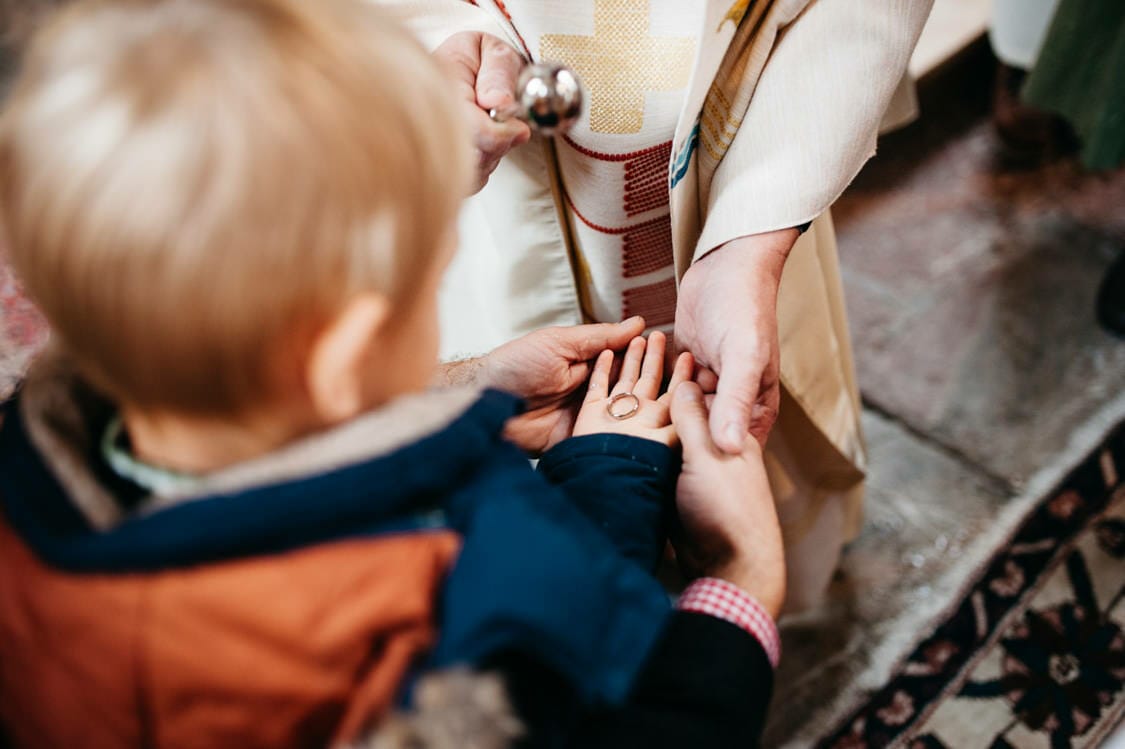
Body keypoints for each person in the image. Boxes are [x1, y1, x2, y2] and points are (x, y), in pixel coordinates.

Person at [0, 1, 786, 746]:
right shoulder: (462, 586)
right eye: (432, 280)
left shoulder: (30, 470)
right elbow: (625, 716)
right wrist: (733, 576)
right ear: (343, 356)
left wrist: (451, 390)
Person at [380, 0, 935, 609]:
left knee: (737, 405)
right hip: (516, 181)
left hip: (741, 136)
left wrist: (745, 246)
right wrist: (455, 36)